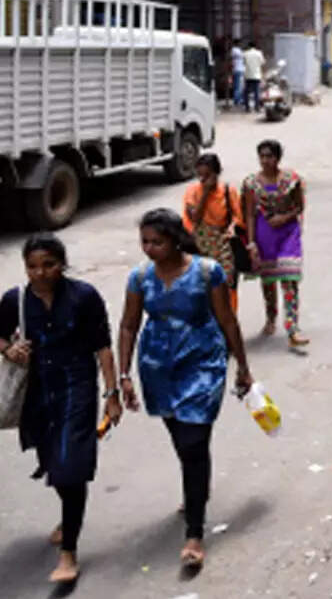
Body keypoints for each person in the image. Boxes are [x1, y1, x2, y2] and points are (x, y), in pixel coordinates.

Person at [118, 209, 253, 571]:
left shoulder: (208, 271)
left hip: (202, 364)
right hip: (158, 368)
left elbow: (227, 320)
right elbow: (129, 325)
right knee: (182, 439)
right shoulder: (140, 277)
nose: (150, 249)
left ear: (176, 240)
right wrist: (124, 375)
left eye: (157, 242)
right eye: (145, 242)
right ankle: (195, 487)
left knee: (194, 441)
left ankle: (194, 532)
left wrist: (242, 366)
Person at [0, 235, 121, 585]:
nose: (40, 273)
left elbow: (102, 346)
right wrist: (8, 350)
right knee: (53, 462)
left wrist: (112, 393)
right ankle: (70, 514)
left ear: (62, 264)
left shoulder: (83, 297)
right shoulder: (15, 300)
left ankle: (69, 552)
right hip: (37, 394)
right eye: (32, 267)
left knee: (71, 468)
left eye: (49, 265)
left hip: (77, 388)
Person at [242, 140, 309, 350]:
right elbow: (250, 214)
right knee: (268, 279)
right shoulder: (251, 183)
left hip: (288, 233)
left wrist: (284, 217)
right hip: (264, 234)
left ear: (278, 158)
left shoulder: (292, 180)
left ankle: (292, 327)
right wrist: (251, 242)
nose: (265, 161)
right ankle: (271, 317)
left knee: (289, 279)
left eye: (269, 156)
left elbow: (299, 206)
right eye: (262, 156)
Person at [183, 153, 246, 314]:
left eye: (207, 175)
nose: (203, 180)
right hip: (201, 246)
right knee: (203, 286)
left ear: (217, 173)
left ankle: (229, 319)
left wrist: (232, 227)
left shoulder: (228, 191)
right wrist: (205, 193)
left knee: (228, 285)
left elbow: (238, 216)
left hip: (223, 245)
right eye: (200, 176)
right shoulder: (193, 192)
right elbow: (194, 218)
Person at [243, 41, 265, 112]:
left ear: (249, 46)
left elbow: (244, 63)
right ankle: (257, 107)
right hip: (256, 75)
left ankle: (247, 108)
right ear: (255, 46)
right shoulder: (259, 53)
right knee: (257, 92)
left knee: (246, 92)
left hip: (248, 75)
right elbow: (262, 63)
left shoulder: (245, 53)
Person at [230, 39, 245, 109]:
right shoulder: (235, 50)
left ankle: (238, 99)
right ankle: (237, 100)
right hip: (238, 69)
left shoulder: (236, 50)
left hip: (238, 69)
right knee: (238, 86)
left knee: (239, 86)